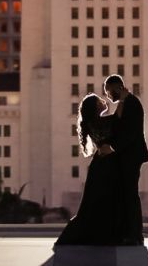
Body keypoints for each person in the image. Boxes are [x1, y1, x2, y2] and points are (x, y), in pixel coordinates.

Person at [55, 93, 124, 245]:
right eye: (100, 100)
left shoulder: (96, 122)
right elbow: (119, 116)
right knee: (101, 201)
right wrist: (123, 97)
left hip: (100, 165)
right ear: (95, 107)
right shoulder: (99, 122)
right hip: (104, 166)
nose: (104, 100)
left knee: (96, 202)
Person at [103, 74, 148, 245]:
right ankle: (130, 233)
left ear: (116, 88)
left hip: (131, 156)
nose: (108, 96)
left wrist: (112, 147)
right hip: (128, 156)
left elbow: (130, 132)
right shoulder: (126, 103)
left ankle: (134, 235)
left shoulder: (132, 103)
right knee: (127, 195)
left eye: (108, 91)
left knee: (130, 196)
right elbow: (118, 122)